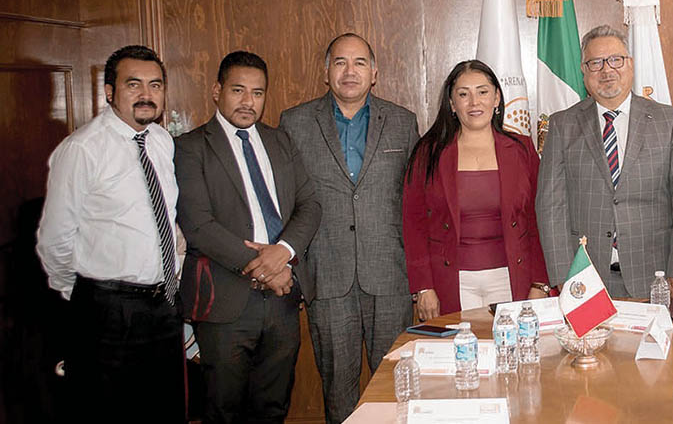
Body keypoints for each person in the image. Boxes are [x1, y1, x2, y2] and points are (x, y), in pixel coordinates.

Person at [36, 45, 186, 422]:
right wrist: (81, 294)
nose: (146, 95)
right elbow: (55, 238)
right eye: (134, 85)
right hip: (107, 310)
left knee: (164, 410)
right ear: (109, 91)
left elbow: (163, 217)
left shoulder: (161, 141)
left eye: (155, 85)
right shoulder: (82, 149)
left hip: (164, 304)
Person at [278, 33, 419, 424]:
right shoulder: (294, 122)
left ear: (374, 72)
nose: (350, 71)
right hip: (326, 276)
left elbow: (416, 201)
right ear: (326, 72)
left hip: (389, 276)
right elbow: (285, 200)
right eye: (340, 62)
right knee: (338, 389)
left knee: (394, 384)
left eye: (359, 62)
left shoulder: (403, 122)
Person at [175, 51, 321, 423]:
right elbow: (198, 225)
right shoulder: (191, 147)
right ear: (217, 91)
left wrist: (283, 252)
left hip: (282, 301)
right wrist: (266, 268)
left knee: (273, 407)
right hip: (225, 301)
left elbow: (310, 204)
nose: (247, 101)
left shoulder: (280, 141)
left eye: (257, 93)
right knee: (224, 410)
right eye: (237, 90)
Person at [537, 25, 673, 298]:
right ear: (584, 71)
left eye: (616, 60)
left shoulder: (667, 121)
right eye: (596, 63)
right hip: (585, 276)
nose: (607, 70)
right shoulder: (563, 125)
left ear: (630, 64)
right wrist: (563, 276)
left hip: (655, 275)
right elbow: (551, 206)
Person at [402, 60, 550, 319]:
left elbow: (538, 220)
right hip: (450, 282)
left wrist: (540, 283)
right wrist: (423, 287)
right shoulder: (429, 152)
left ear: (496, 98)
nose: (474, 102)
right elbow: (413, 224)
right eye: (463, 94)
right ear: (452, 104)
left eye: (482, 92)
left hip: (512, 278)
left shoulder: (522, 149)